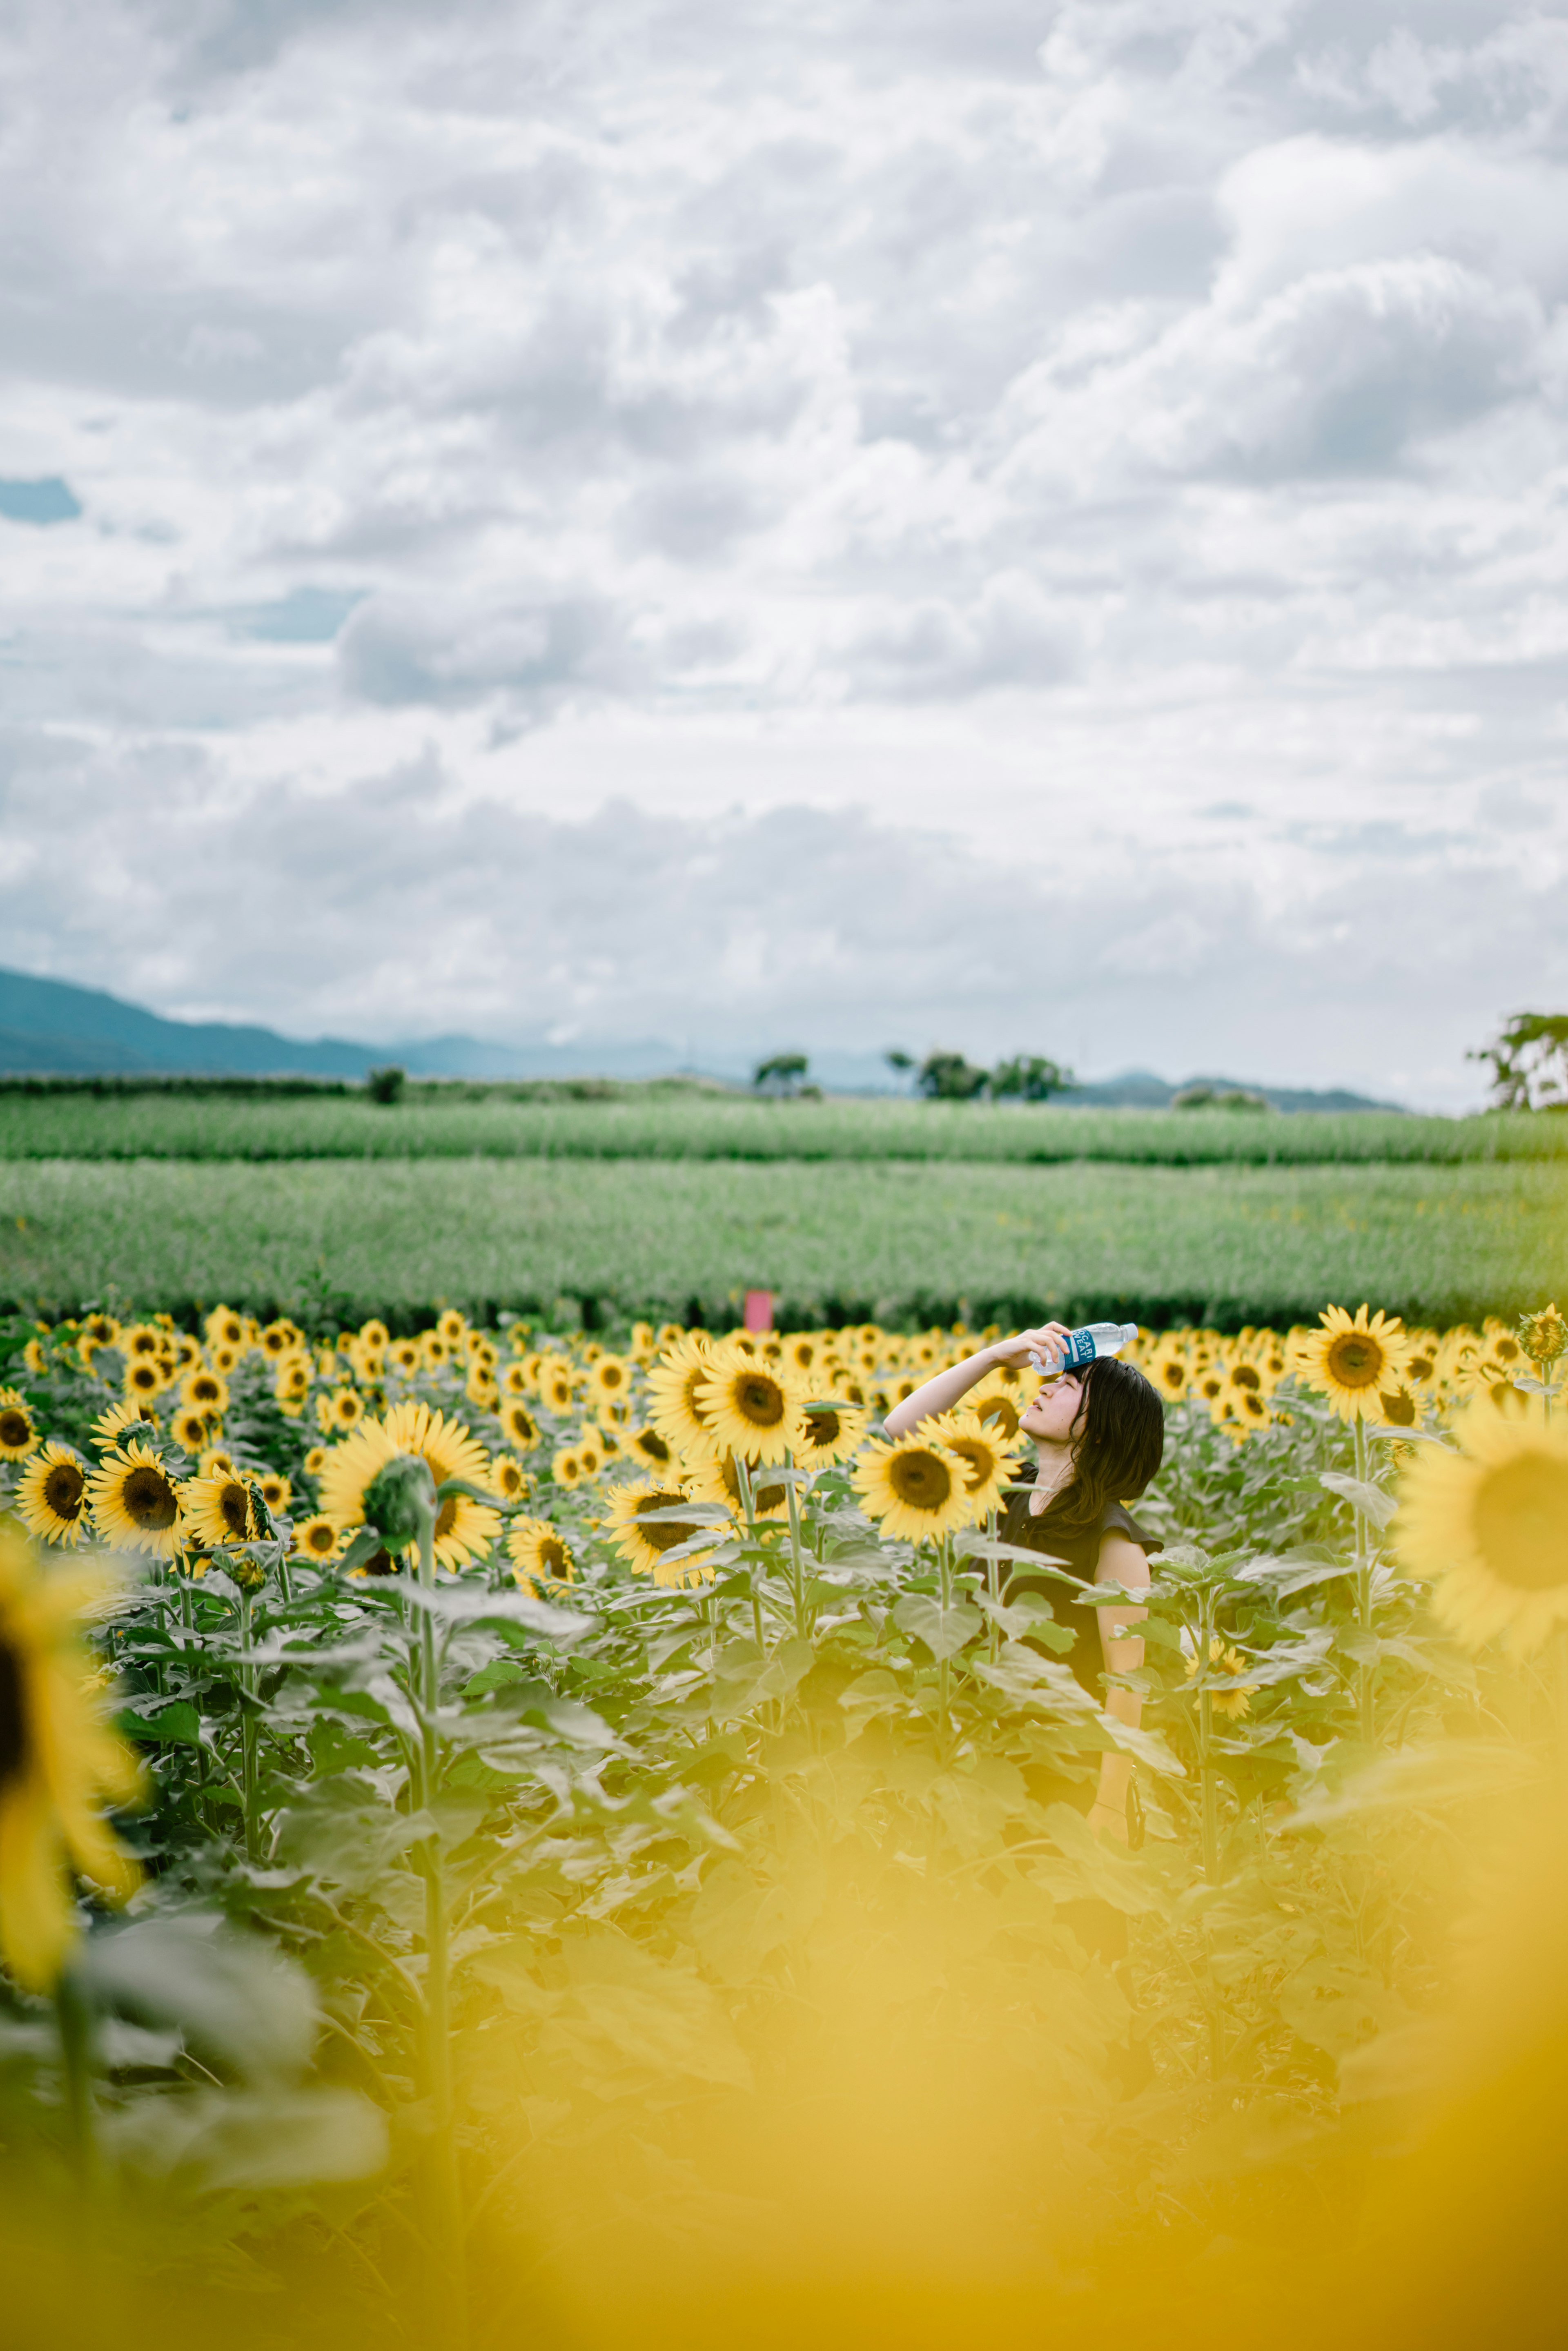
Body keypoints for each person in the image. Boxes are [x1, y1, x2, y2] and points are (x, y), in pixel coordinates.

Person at [884, 1321, 1165, 1844]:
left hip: (1062, 1772)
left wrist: (1109, 1804)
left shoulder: (1114, 1542)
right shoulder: (1002, 1487)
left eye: (1070, 1386)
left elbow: (1125, 1687)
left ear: (1101, 1427)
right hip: (981, 1759)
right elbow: (903, 1429)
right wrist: (993, 1357)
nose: (1045, 1386)